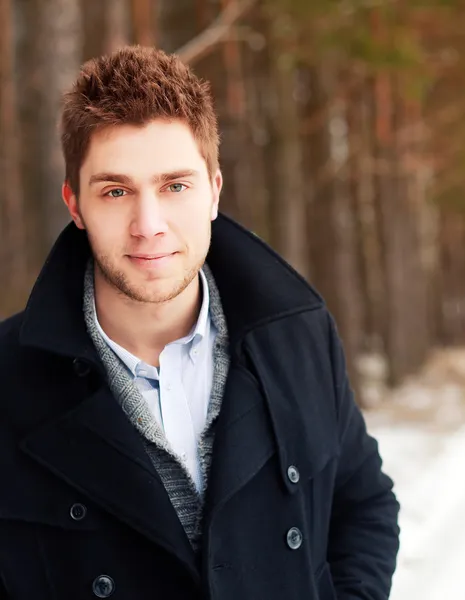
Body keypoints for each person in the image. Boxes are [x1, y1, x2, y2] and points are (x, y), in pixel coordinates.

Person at [0, 46, 400, 599]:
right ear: (75, 205)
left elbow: (364, 503)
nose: (149, 225)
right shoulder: (7, 379)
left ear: (213, 190)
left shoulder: (296, 336)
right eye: (116, 191)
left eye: (174, 186)